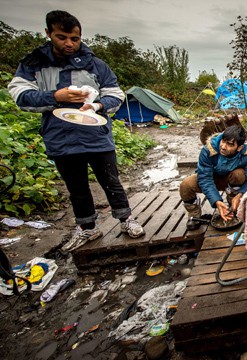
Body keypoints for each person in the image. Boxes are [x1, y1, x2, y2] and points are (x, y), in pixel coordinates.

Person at [7, 10, 144, 252]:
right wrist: (54, 96)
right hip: (60, 135)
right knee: (76, 187)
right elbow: (20, 96)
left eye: (75, 39)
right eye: (62, 38)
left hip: (96, 134)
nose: (69, 44)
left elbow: (115, 94)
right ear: (48, 34)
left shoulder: (95, 64)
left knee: (111, 181)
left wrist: (98, 105)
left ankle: (126, 219)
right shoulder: (34, 64)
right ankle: (88, 227)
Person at [179, 125, 247, 221]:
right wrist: (217, 201)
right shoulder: (208, 150)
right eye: (223, 141)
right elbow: (205, 178)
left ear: (239, 148)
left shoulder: (246, 155)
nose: (223, 147)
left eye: (230, 144)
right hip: (211, 178)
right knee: (186, 185)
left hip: (230, 180)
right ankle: (194, 215)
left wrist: (239, 195)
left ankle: (233, 204)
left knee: (239, 175)